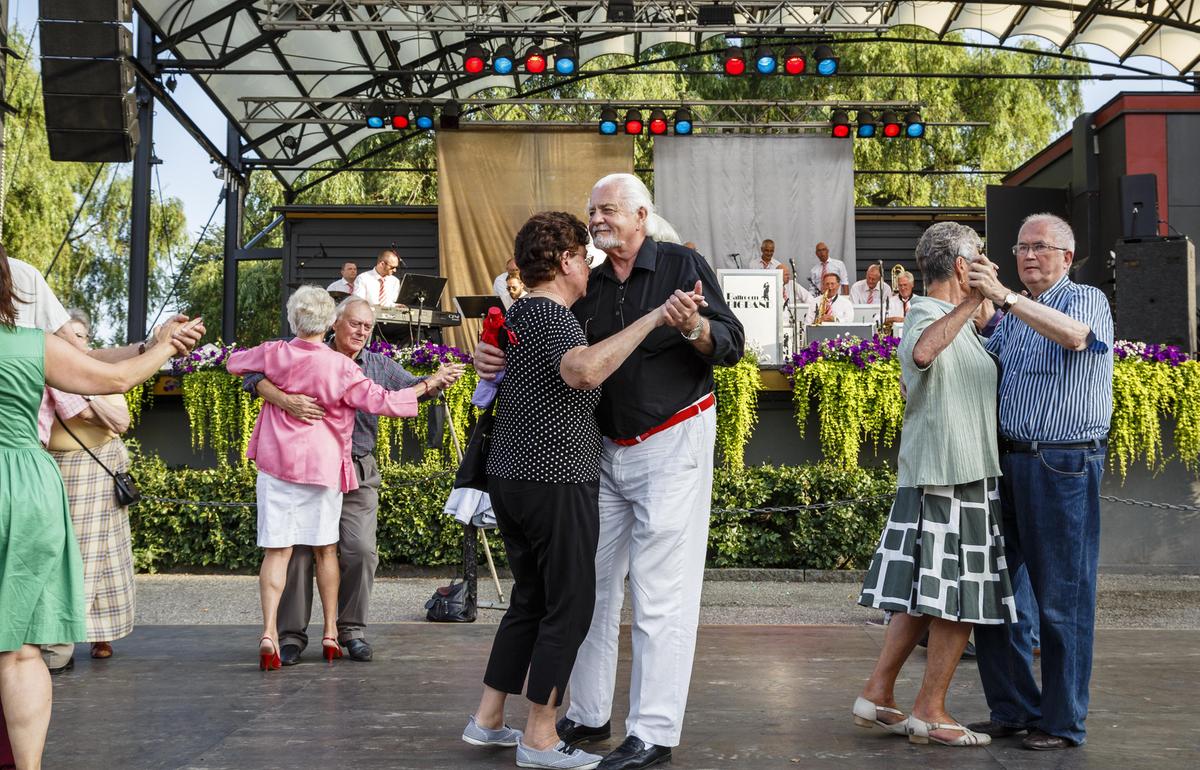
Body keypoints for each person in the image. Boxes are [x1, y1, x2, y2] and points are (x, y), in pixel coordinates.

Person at [475, 173, 744, 770]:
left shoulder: (681, 266)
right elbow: (551, 354)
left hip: (672, 439)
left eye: (609, 209)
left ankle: (652, 731)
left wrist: (694, 327)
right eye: (592, 210)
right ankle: (588, 713)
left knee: (660, 594)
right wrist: (490, 354)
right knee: (587, 589)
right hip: (600, 450)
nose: (597, 219)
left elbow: (732, 342)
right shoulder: (586, 283)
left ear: (642, 215)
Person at [1, 250, 195, 770]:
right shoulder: (32, 345)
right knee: (21, 650)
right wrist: (166, 345)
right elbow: (117, 378)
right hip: (26, 487)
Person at [225, 286, 462, 670]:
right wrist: (284, 399)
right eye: (355, 324)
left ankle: (349, 631)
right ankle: (294, 636)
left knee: (357, 550)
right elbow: (250, 376)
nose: (362, 331)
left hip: (353, 468)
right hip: (321, 468)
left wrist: (433, 383)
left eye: (368, 326)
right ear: (333, 323)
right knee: (302, 552)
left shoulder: (372, 364)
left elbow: (407, 391)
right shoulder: (327, 360)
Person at [855, 221, 1015, 749]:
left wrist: (982, 307)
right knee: (959, 595)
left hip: (947, 469)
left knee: (923, 595)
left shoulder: (959, 320)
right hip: (953, 473)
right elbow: (923, 353)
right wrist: (972, 301)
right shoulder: (929, 313)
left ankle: (879, 692)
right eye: (980, 259)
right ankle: (930, 710)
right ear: (963, 268)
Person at [966, 213, 1113, 751]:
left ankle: (1062, 721)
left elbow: (1075, 337)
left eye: (1040, 247)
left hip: (1062, 464)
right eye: (1021, 247)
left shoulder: (1085, 299)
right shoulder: (1011, 315)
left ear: (1067, 257)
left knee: (1062, 602)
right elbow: (987, 357)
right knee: (993, 594)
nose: (1028, 255)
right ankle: (1013, 709)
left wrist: (1004, 298)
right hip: (1006, 461)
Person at [42, 310, 137, 669]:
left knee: (110, 551)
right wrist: (87, 400)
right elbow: (79, 415)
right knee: (73, 553)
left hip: (103, 464)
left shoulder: (102, 373)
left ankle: (102, 633)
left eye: (81, 336)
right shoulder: (54, 370)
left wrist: (85, 396)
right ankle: (59, 639)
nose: (76, 341)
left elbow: (121, 421)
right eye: (69, 336)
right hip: (63, 466)